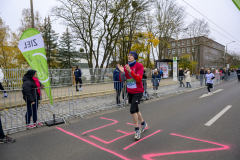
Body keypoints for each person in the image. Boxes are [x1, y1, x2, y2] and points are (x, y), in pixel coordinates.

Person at [117, 51, 147, 140]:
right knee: (136, 109)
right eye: (128, 55)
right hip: (130, 91)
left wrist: (130, 71)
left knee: (132, 109)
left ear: (135, 57)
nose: (129, 56)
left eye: (131, 55)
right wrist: (122, 73)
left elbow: (138, 78)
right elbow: (122, 80)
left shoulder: (139, 66)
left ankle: (137, 129)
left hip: (138, 91)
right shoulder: (126, 66)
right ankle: (143, 123)